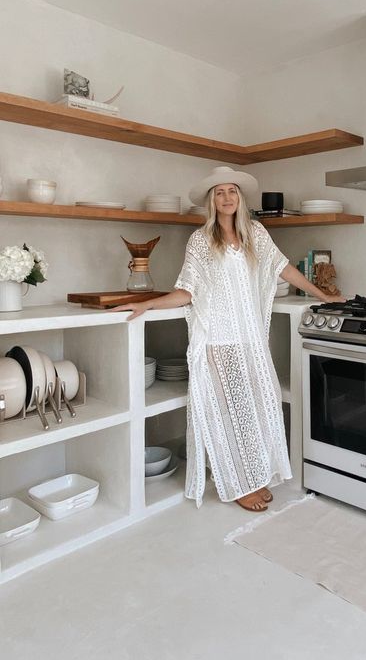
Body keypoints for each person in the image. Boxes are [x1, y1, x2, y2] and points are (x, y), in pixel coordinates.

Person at [113, 166, 345, 512]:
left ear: (240, 198)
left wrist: (321, 295)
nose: (226, 198)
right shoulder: (202, 240)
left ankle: (256, 476)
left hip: (250, 337)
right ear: (212, 200)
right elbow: (186, 290)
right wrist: (146, 303)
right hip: (218, 340)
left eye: (231, 191)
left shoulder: (256, 233)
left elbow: (284, 269)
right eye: (219, 193)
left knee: (256, 410)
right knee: (227, 413)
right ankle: (237, 484)